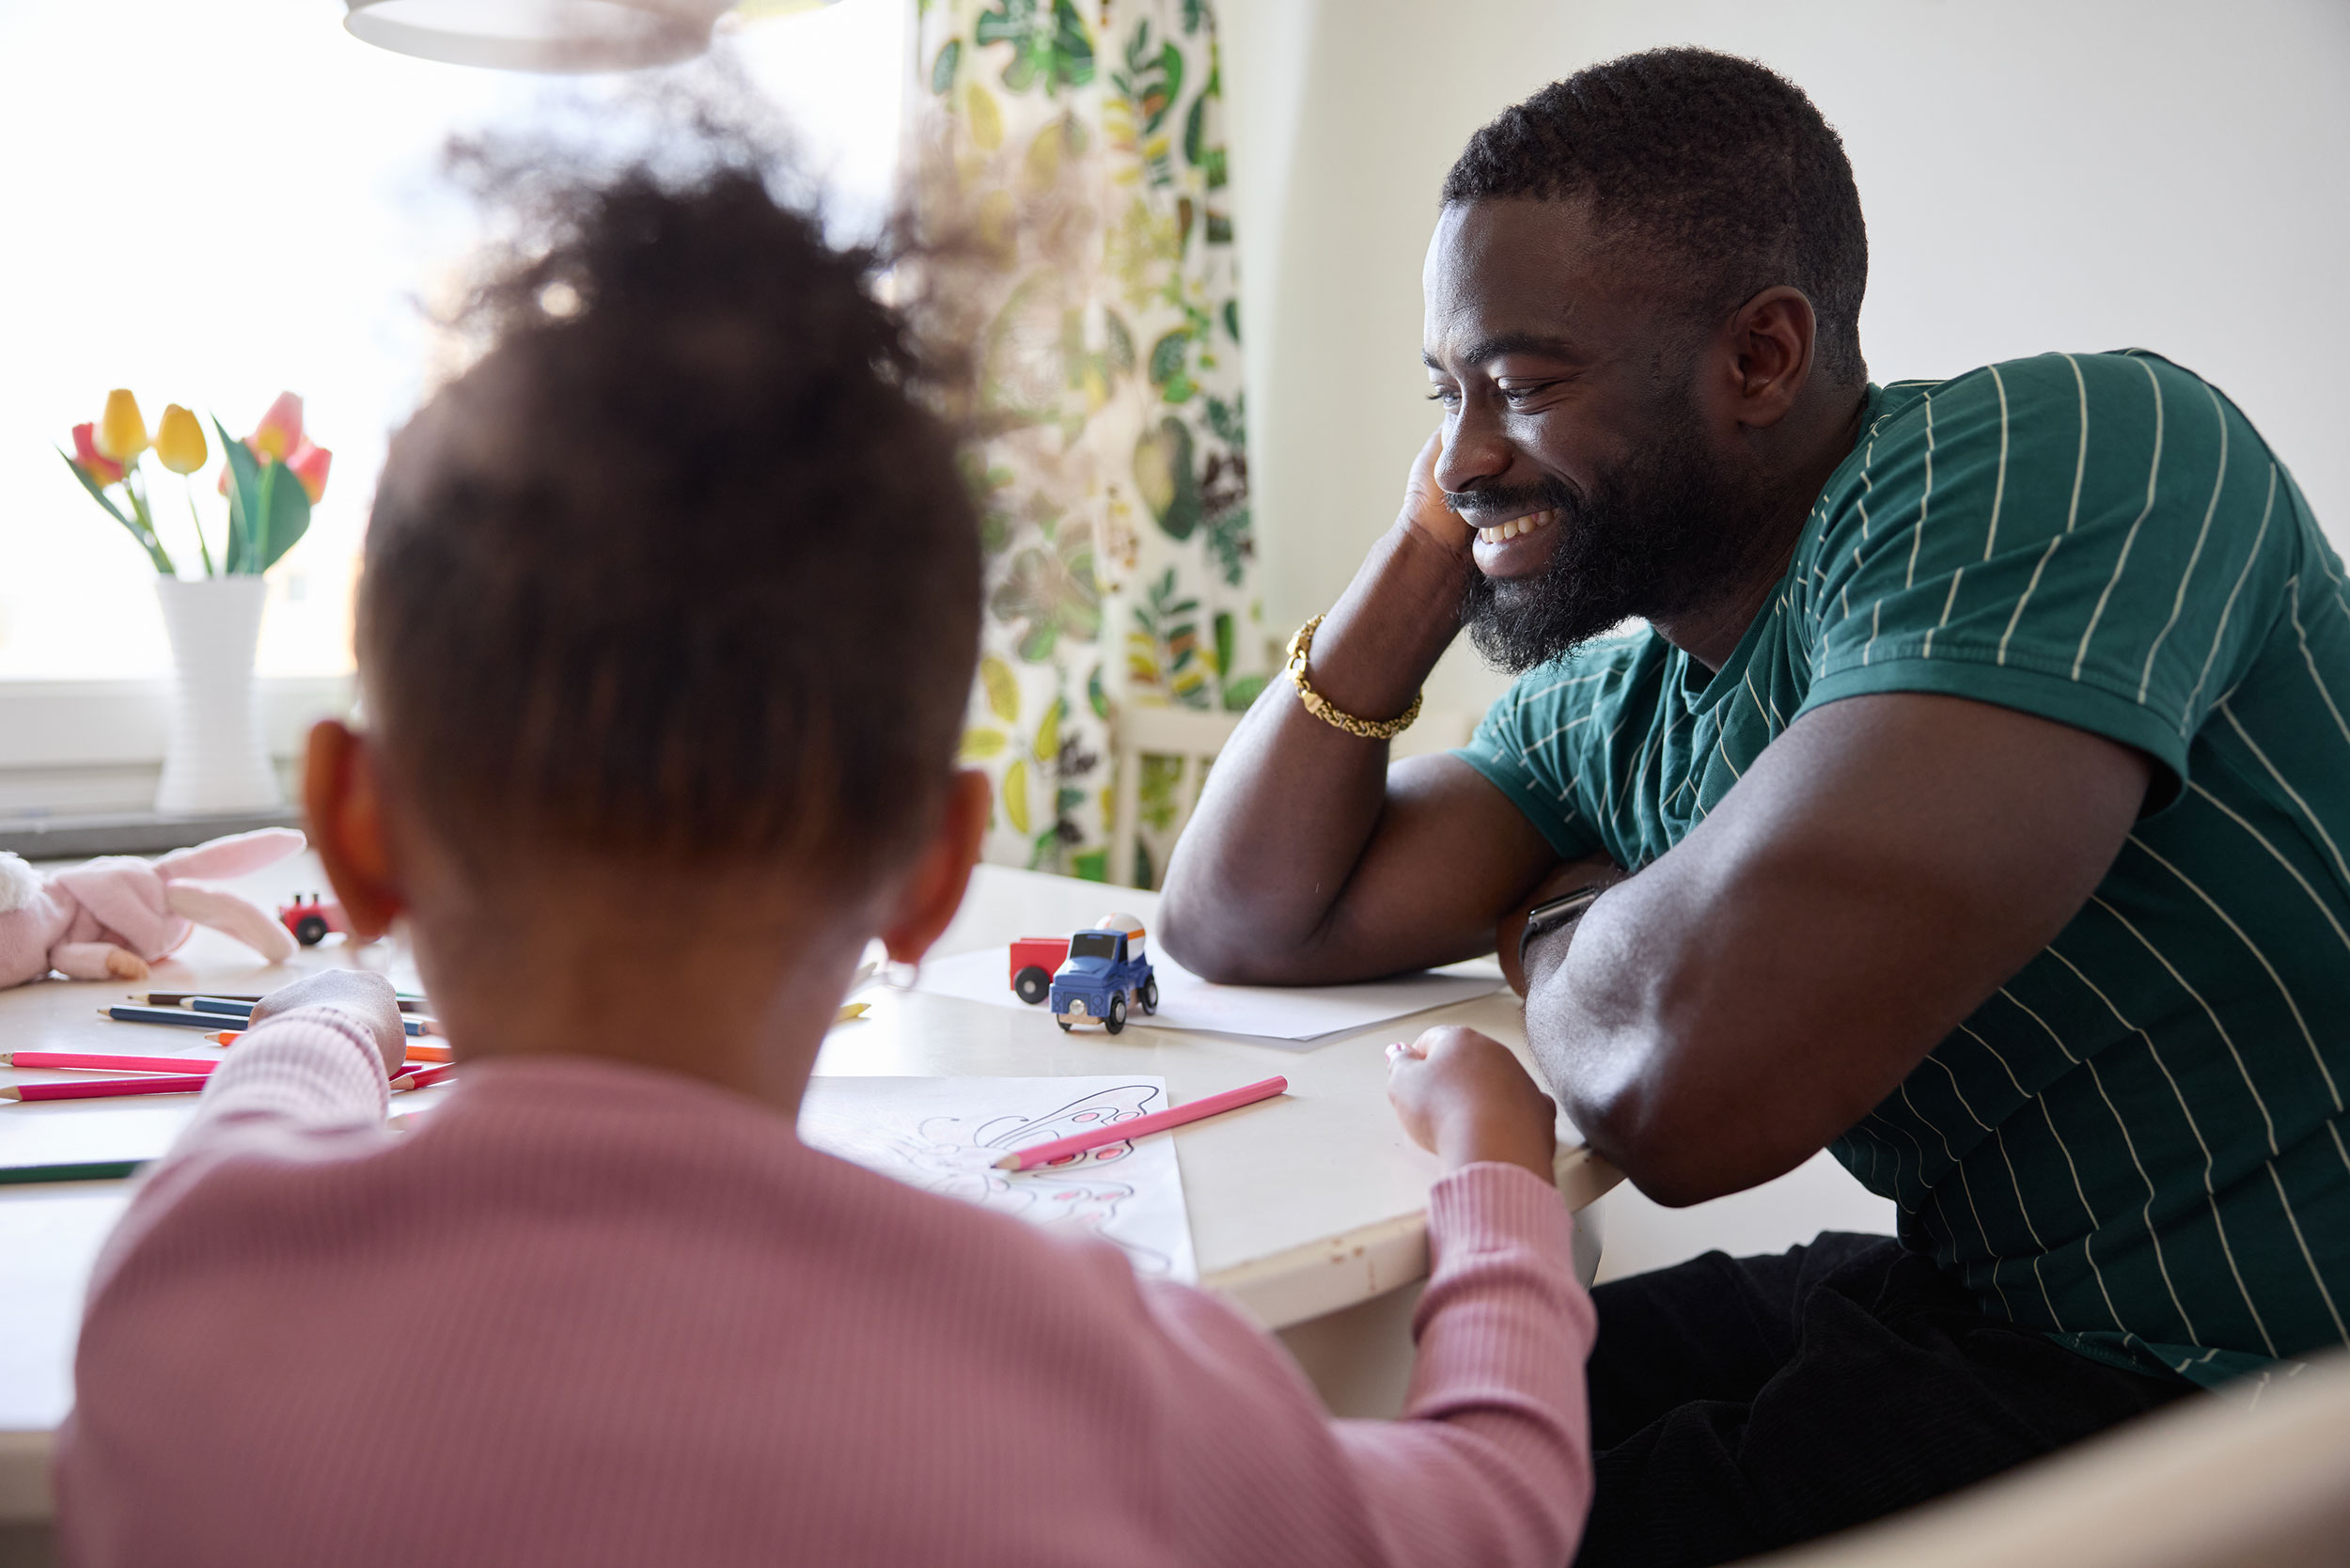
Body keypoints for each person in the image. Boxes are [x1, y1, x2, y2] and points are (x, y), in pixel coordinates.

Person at [55, 143, 1596, 1568]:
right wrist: (1496, 1183)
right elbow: (1488, 1514)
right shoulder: (1074, 1369)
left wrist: (330, 1018)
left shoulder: (181, 1285)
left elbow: (260, 1109)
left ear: (358, 832)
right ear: (934, 876)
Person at [1158, 44, 2350, 1568]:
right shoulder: (1629, 701)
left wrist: (1562, 919)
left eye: (1522, 383)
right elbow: (1243, 914)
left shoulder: (2063, 470)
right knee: (1340, 1455)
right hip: (1980, 1309)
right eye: (1443, 393)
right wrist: (1427, 540)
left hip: (2244, 1394)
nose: (1460, 453)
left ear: (1761, 359)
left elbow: (1681, 1089)